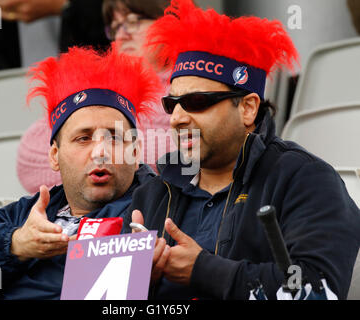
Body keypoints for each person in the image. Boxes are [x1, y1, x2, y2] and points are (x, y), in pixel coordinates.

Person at [125, 0, 360, 300]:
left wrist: (204, 271)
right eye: (171, 104)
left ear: (248, 108)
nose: (177, 118)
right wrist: (139, 283)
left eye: (197, 102)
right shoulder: (152, 192)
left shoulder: (305, 180)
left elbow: (317, 291)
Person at [0, 44, 162, 299]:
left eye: (115, 137)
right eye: (83, 138)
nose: (101, 151)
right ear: (55, 156)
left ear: (135, 152)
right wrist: (16, 244)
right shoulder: (26, 213)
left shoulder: (158, 206)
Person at [16, 0, 175, 194]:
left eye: (134, 21)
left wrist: (80, 156)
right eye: (115, 28)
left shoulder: (195, 86)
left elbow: (182, 154)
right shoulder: (103, 86)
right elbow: (30, 155)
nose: (122, 35)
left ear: (172, 21)